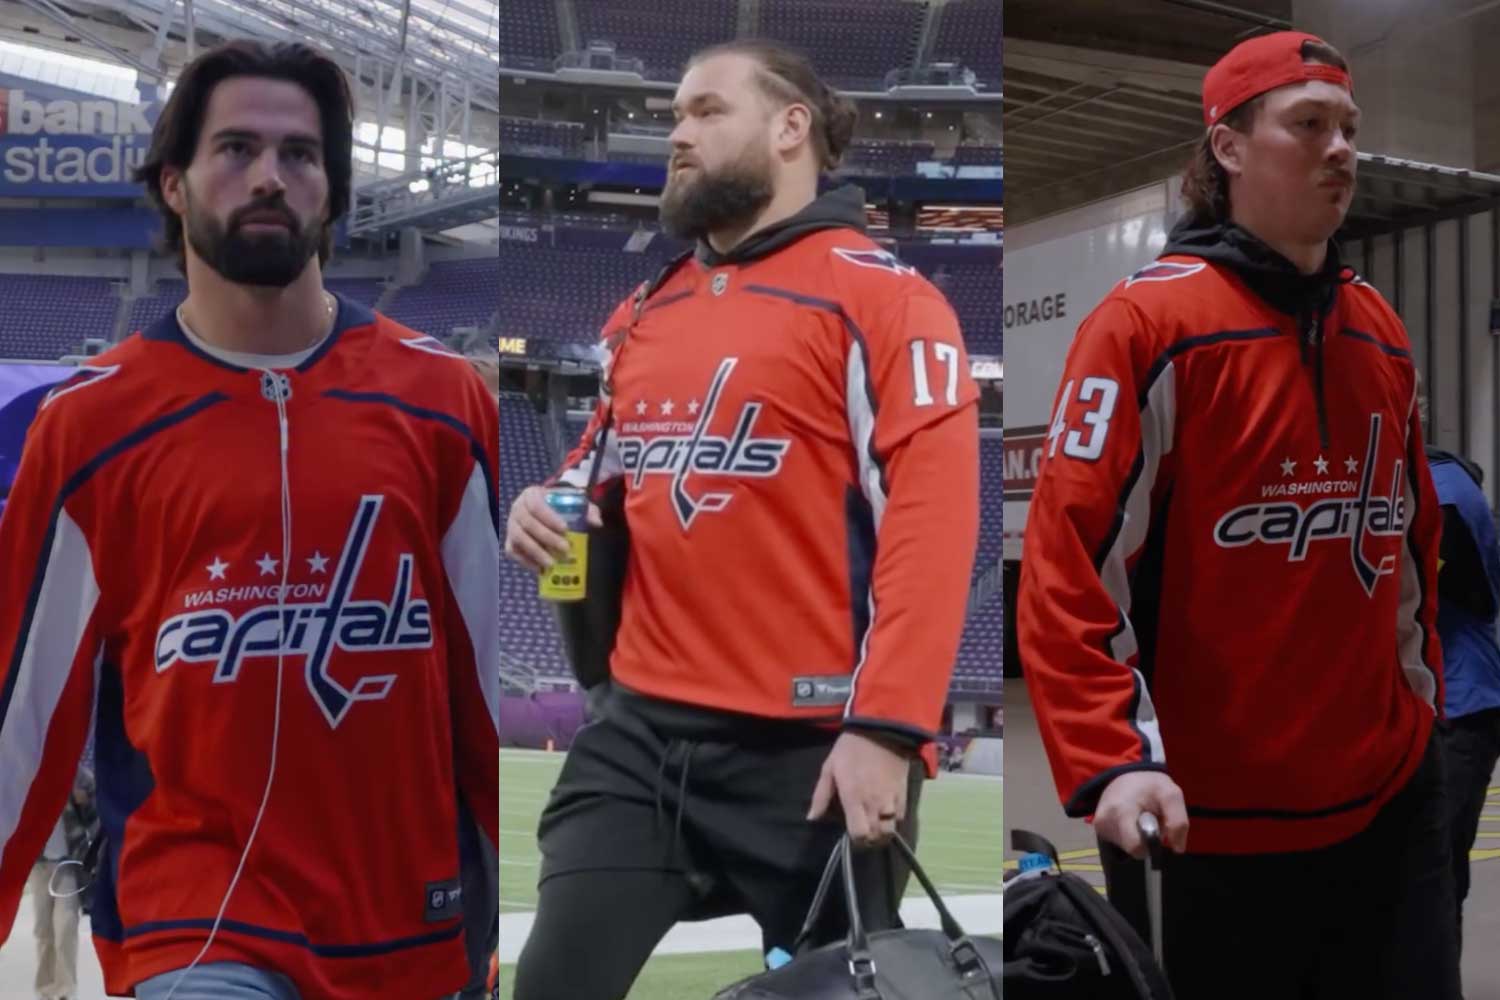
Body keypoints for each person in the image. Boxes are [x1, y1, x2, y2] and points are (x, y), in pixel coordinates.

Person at [0, 40, 499, 1000]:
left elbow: (477, 685)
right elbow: (21, 714)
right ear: (174, 183)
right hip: (195, 916)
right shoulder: (91, 423)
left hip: (404, 922)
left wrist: (477, 912)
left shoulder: (443, 401)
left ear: (331, 190)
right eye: (236, 149)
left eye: (299, 154)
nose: (270, 176)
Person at [503, 39, 980, 1000]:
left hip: (815, 755)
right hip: (637, 744)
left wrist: (888, 731)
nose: (677, 135)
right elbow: (596, 472)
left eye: (706, 111)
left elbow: (933, 526)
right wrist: (540, 502)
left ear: (790, 126)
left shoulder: (886, 300)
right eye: (676, 117)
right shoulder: (641, 314)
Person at [1017, 30, 1458, 1000]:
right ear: (1228, 146)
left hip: (1392, 802)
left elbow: (1408, 545)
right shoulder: (1146, 327)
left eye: (1349, 128)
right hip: (1203, 827)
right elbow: (1068, 566)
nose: (1341, 150)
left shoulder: (1380, 332)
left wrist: (1421, 713)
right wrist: (1114, 761)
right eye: (1309, 124)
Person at [1424, 438, 1500, 961]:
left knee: (1435, 873)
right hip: (1448, 702)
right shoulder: (1441, 482)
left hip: (1459, 708)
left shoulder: (1442, 492)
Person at [27, 769, 93, 1000]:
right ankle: (46, 987)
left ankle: (65, 989)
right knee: (43, 929)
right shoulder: (27, 771)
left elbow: (98, 811)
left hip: (68, 863)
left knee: (66, 925)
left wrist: (83, 801)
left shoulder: (77, 774)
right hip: (40, 863)